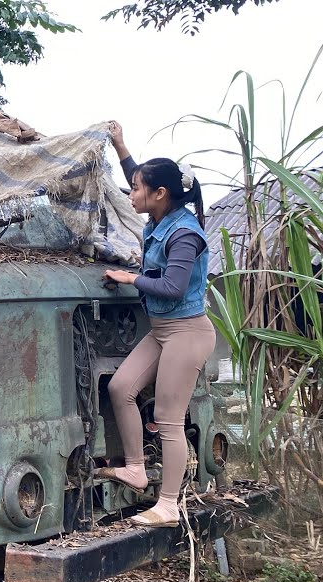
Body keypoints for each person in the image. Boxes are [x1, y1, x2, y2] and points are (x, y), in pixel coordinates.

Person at [99, 121, 216, 528]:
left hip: (187, 332)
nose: (130, 194)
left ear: (160, 195)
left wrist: (130, 278)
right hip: (164, 331)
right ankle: (135, 468)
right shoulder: (160, 217)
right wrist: (120, 146)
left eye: (136, 190)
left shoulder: (185, 233)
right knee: (120, 387)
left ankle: (167, 505)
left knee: (168, 419)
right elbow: (141, 176)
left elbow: (172, 285)